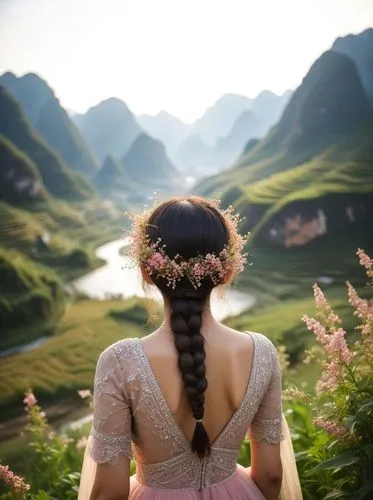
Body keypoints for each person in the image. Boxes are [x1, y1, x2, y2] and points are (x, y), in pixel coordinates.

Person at [78, 196, 302, 500]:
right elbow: (272, 475)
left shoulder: (120, 362)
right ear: (226, 272)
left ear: (147, 272)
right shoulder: (261, 353)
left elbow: (110, 492)